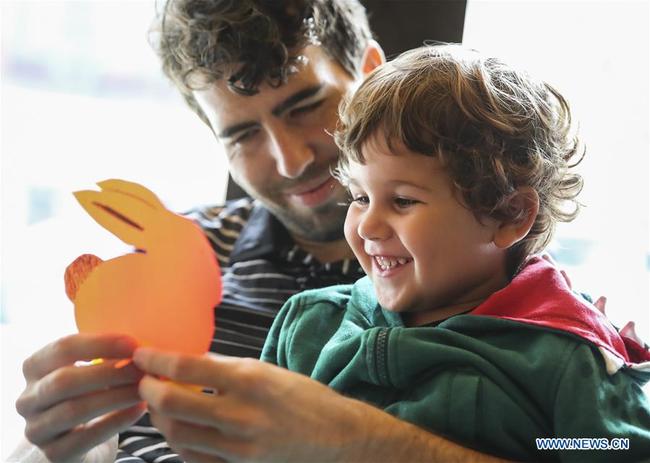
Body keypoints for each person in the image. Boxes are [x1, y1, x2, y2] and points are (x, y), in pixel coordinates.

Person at [7, 1, 634, 463]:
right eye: (243, 134)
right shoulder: (188, 268)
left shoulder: (547, 326)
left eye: (304, 106)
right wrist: (71, 441)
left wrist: (359, 441)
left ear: (369, 73)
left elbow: (599, 446)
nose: (290, 160)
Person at [253, 45, 650, 461]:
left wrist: (548, 447)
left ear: (509, 216)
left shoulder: (567, 358)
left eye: (403, 201)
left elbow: (610, 448)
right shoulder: (309, 323)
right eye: (359, 197)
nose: (367, 226)